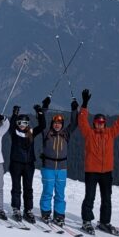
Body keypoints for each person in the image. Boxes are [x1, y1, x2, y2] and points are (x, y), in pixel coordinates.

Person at [78, 89, 119, 235]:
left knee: (107, 198)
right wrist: (84, 105)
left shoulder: (110, 133)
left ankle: (104, 222)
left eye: (102, 122)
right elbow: (82, 122)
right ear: (94, 124)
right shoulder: (89, 134)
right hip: (92, 171)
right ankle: (87, 221)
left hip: (107, 172)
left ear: (105, 123)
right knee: (90, 196)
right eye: (97, 122)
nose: (99, 124)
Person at [39, 95, 80, 227]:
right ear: (52, 124)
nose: (57, 125)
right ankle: (45, 213)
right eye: (55, 123)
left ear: (62, 125)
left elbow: (74, 124)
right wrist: (44, 107)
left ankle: (59, 215)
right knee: (48, 191)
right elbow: (42, 121)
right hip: (48, 167)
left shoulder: (65, 134)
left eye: (60, 123)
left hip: (62, 168)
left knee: (60, 193)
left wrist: (74, 110)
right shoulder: (46, 133)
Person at [9, 101, 46, 223]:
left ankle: (28, 210)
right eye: (19, 123)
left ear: (28, 124)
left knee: (28, 188)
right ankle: (16, 208)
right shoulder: (14, 132)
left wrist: (39, 113)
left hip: (29, 164)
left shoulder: (31, 133)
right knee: (16, 187)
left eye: (25, 123)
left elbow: (42, 126)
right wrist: (14, 114)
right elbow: (10, 126)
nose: (22, 125)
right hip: (16, 163)